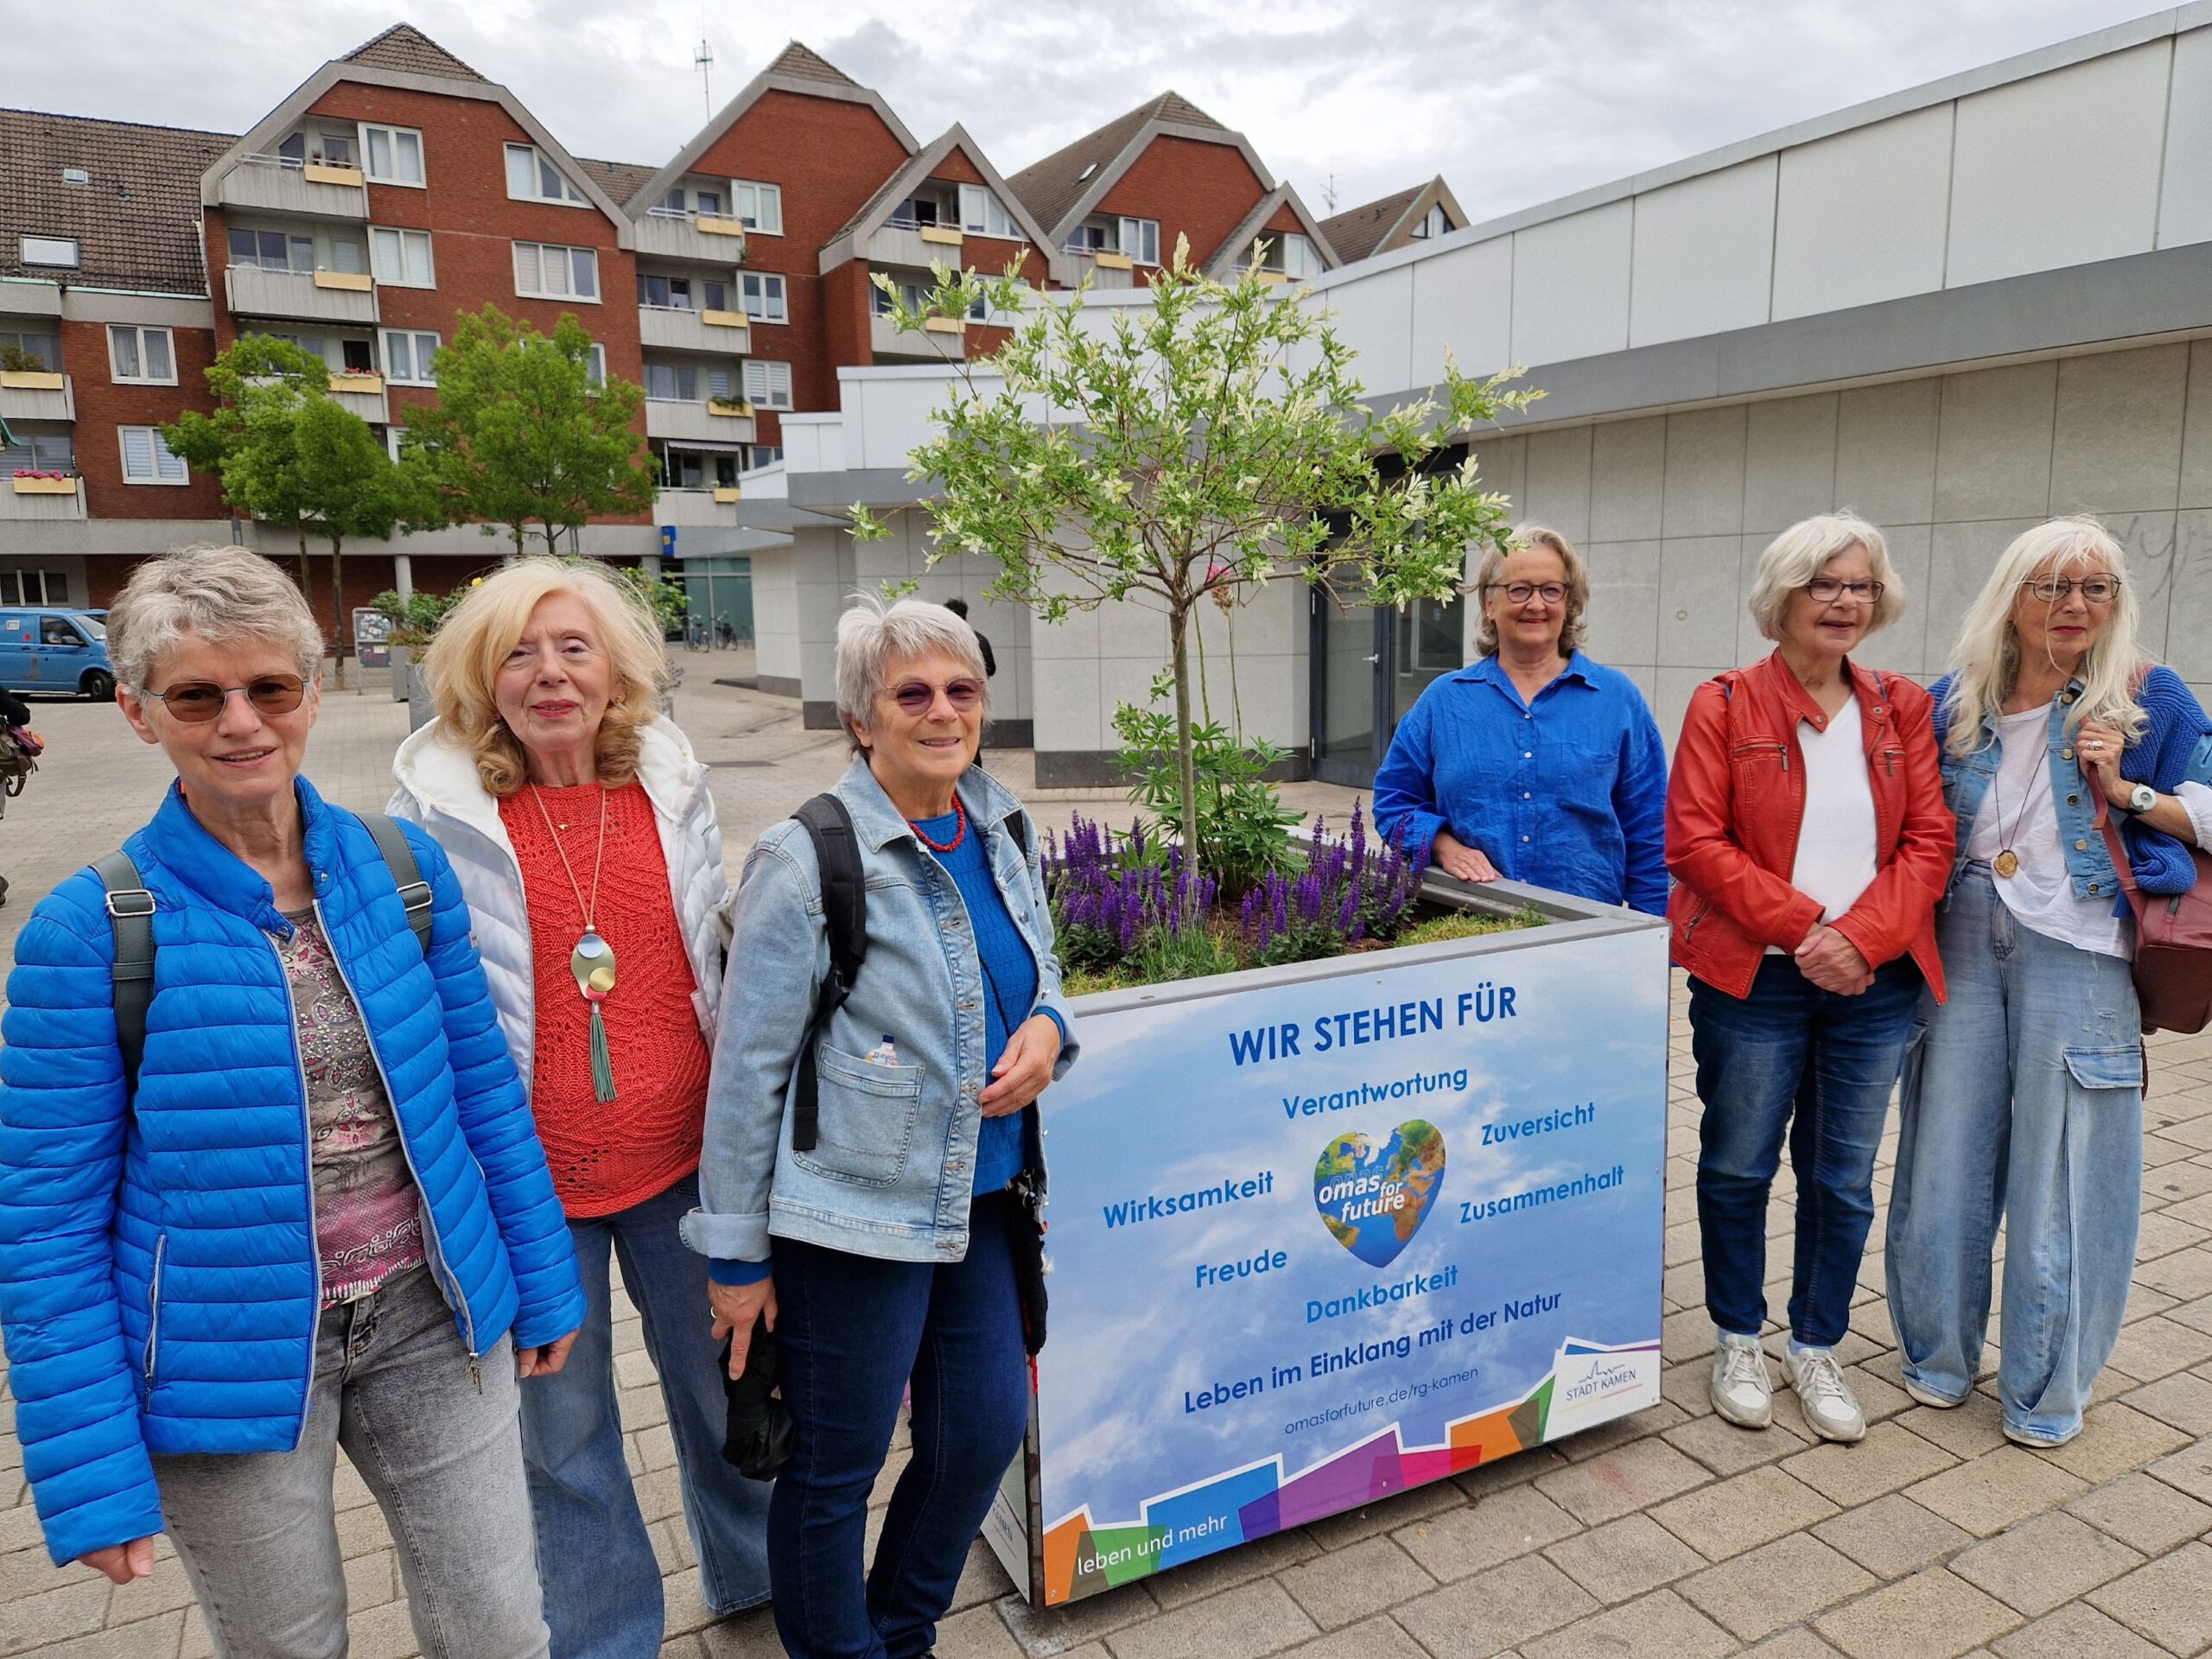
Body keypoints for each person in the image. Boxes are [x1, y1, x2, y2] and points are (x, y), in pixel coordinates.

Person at [0, 547, 585, 1657]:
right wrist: (92, 1475)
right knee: (288, 1644)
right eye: (196, 695)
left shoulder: (401, 869)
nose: (240, 722)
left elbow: (481, 1103)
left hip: (431, 1318)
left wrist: (544, 1287)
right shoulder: (90, 932)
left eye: (269, 687)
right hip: (227, 1354)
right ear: (136, 713)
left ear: (312, 693)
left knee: (502, 1627)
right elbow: (43, 1227)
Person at [684, 595, 1077, 1659]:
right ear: (864, 719)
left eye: (961, 690)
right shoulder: (808, 856)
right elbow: (747, 1075)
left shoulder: (1000, 824)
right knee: (834, 1468)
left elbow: (1045, 972)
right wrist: (736, 1256)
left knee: (981, 1433)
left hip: (986, 1199)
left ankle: (901, 1634)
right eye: (913, 694)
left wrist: (1047, 1027)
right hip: (851, 1214)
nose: (942, 711)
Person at [390, 558, 771, 1654]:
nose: (549, 674)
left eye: (573, 648)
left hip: (686, 1166)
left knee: (726, 1393)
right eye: (518, 651)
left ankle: (754, 1581)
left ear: (614, 671)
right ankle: (606, 1637)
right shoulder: (432, 816)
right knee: (561, 1439)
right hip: (529, 1186)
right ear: (480, 677)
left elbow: (712, 952)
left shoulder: (670, 783)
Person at [1886, 516, 2212, 1447]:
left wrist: (2131, 796)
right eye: (2052, 586)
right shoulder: (1955, 698)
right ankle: (1937, 1360)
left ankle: (2043, 1389)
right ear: (2012, 596)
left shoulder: (2150, 698)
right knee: (1942, 1157)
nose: (2074, 605)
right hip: (1957, 941)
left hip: (2078, 950)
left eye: (2095, 588)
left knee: (2067, 1174)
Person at [1666, 514, 1953, 1443]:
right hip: (1756, 981)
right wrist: (1804, 929)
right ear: (1780, 598)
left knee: (1840, 1179)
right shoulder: (1722, 704)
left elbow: (1930, 841)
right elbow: (1694, 843)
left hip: (1873, 984)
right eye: (1823, 584)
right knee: (1738, 1164)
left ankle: (1817, 1345)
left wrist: (1860, 941)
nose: (1844, 602)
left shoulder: (1901, 707)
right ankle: (1738, 1336)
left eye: (1861, 586)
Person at [1374, 525, 1667, 912]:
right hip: (1468, 924)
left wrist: (1650, 940)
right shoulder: (1443, 702)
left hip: (1583, 931)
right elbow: (1394, 801)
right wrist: (1442, 845)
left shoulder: (1618, 700)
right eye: (1519, 589)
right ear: (1489, 603)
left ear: (1569, 603)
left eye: (1551, 590)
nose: (1536, 604)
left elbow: (1651, 827)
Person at [944, 596, 995, 677]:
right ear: (965, 618)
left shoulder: (940, 640)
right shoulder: (980, 639)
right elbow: (991, 669)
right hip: (974, 684)